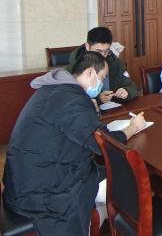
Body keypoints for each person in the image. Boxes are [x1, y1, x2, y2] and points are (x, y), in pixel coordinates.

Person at [3, 52, 146, 236]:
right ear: (90, 73)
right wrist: (133, 128)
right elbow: (102, 144)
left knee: (106, 176)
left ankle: (98, 223)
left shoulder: (56, 90)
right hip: (40, 190)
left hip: (24, 179)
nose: (102, 83)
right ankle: (122, 228)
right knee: (125, 181)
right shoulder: (71, 99)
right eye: (102, 77)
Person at [66, 27, 138, 103]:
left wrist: (127, 91)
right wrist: (98, 99)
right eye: (98, 51)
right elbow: (69, 99)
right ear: (87, 47)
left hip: (114, 107)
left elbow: (132, 86)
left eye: (106, 51)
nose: (103, 56)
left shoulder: (115, 62)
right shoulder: (73, 69)